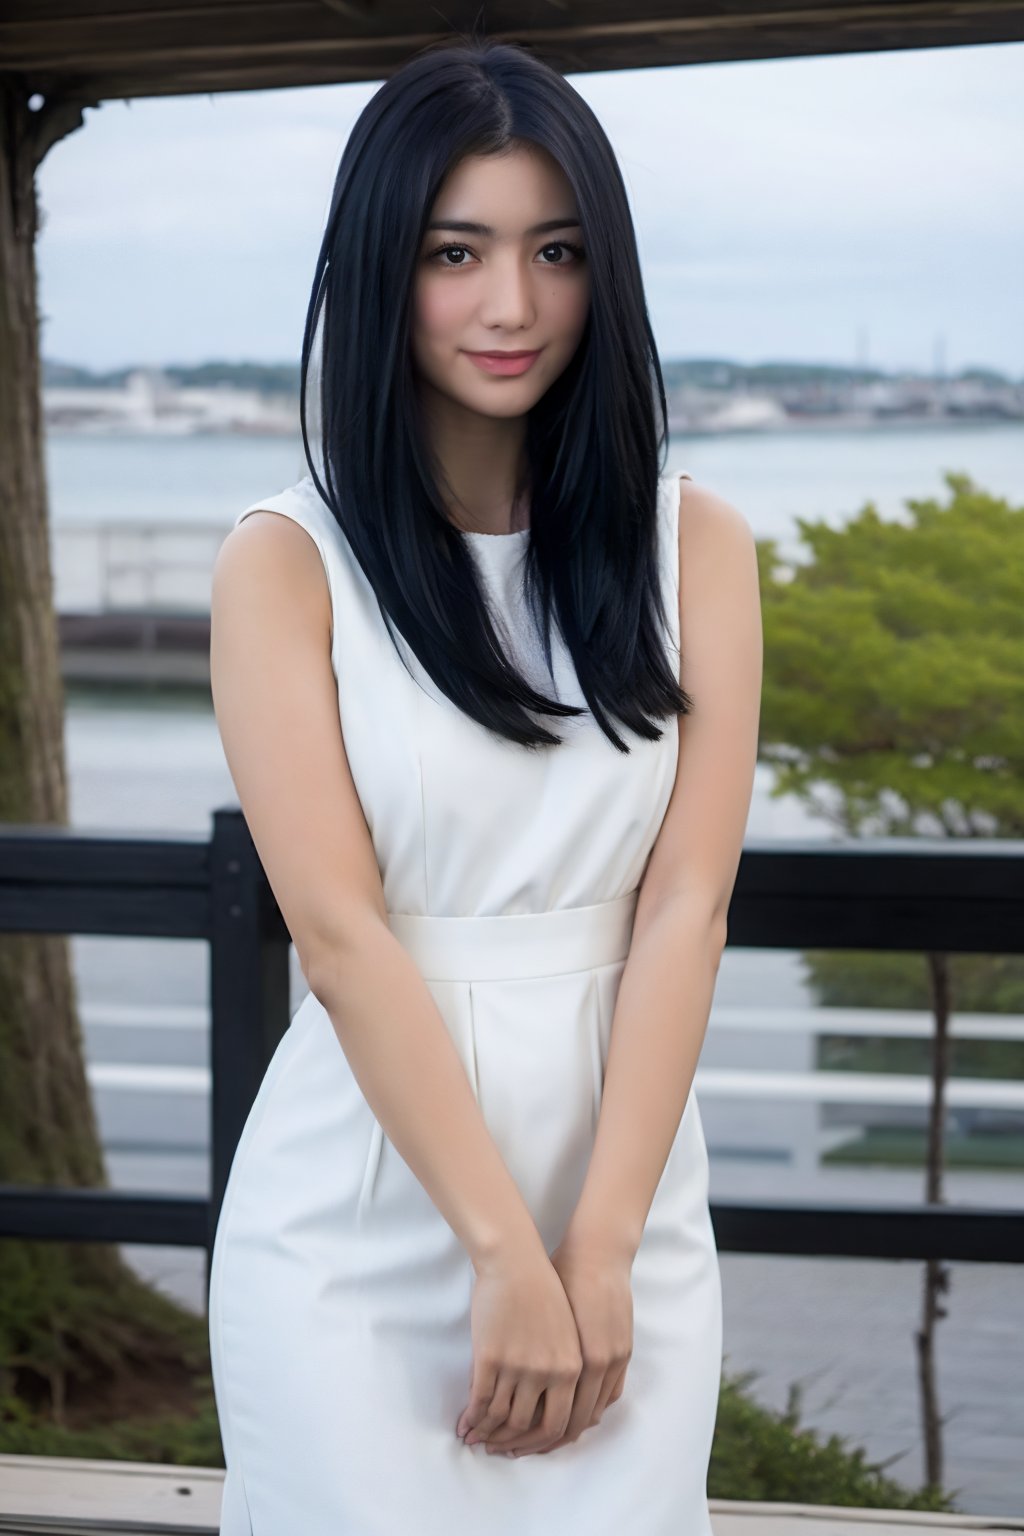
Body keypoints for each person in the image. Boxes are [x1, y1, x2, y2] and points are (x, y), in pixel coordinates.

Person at [207, 32, 762, 1536]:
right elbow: (341, 937)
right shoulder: (286, 563)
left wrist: (595, 1252)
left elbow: (686, 909)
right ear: (384, 263)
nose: (511, 305)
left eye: (556, 251)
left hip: (623, 1198)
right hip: (363, 1213)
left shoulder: (693, 544)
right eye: (457, 251)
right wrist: (505, 1258)